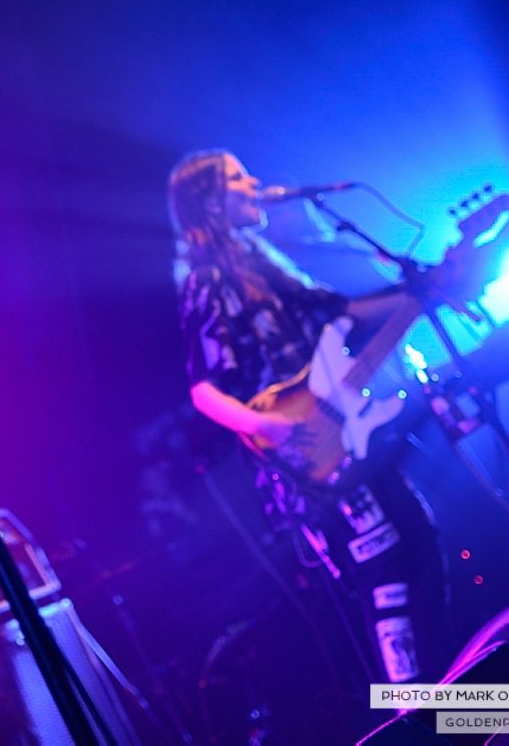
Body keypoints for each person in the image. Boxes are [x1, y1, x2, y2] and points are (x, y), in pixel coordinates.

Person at [167, 149, 450, 685]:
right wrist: (269, 425)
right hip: (303, 457)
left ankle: (461, 708)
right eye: (235, 177)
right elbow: (204, 390)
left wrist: (424, 286)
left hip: (347, 436)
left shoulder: (263, 261)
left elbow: (341, 311)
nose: (253, 182)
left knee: (418, 540)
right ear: (208, 201)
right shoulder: (206, 280)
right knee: (384, 562)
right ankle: (418, 720)